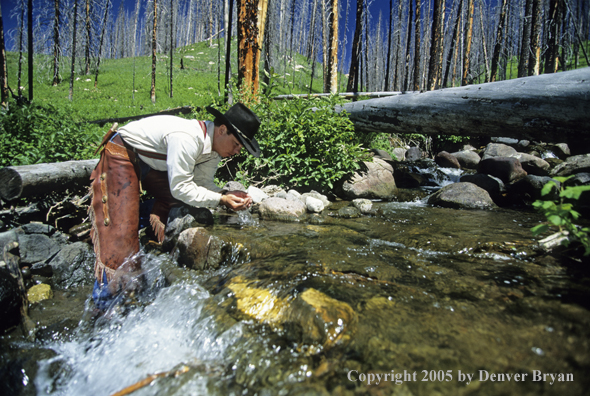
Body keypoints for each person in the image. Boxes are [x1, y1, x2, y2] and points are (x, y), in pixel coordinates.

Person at [89, 103, 261, 309]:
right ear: (222, 130)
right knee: (118, 242)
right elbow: (181, 187)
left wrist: (225, 194)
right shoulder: (187, 138)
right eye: (236, 144)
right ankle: (105, 311)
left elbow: (201, 184)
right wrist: (221, 200)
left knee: (181, 203)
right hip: (123, 152)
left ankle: (143, 233)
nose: (237, 151)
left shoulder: (214, 150)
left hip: (153, 161)